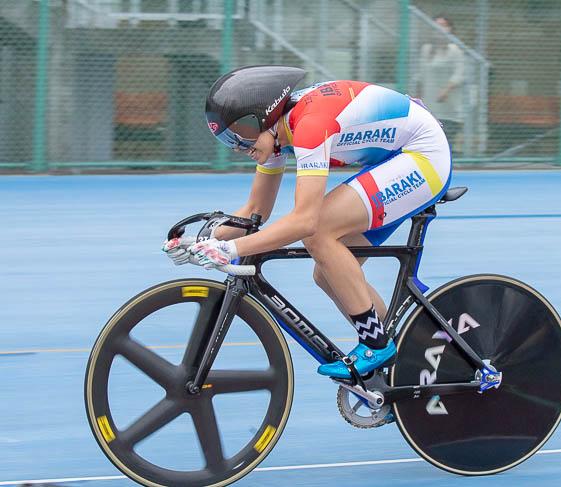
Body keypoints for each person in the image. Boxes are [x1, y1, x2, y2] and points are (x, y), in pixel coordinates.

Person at [163, 66, 452, 379]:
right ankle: (402, 355)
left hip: (422, 156)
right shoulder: (275, 136)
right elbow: (256, 209)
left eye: (240, 135)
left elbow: (305, 221)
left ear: (263, 117)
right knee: (327, 272)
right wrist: (201, 242)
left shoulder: (309, 125)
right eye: (228, 140)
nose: (238, 148)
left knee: (320, 232)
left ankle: (376, 344)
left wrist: (229, 249)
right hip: (392, 159)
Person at [417, 15, 466, 152]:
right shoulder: (426, 49)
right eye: (436, 25)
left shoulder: (455, 50)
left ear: (450, 29)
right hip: (430, 106)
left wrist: (447, 89)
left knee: (445, 143)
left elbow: (459, 73)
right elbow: (421, 74)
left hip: (449, 107)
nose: (440, 28)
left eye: (444, 25)